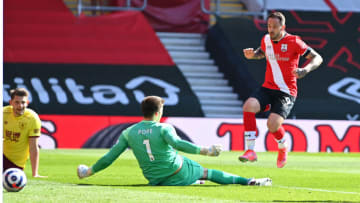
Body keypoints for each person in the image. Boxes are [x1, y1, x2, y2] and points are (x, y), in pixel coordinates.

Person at [77, 96, 272, 186]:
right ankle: (251, 182)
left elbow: (109, 157)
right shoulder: (163, 127)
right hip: (177, 172)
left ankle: (193, 181)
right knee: (208, 172)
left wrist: (89, 171)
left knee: (188, 167)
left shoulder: (128, 132)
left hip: (154, 179)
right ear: (158, 112)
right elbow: (178, 144)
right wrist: (206, 150)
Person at [240, 12, 323, 168]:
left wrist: (305, 70)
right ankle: (250, 151)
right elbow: (262, 52)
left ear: (283, 27)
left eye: (274, 27)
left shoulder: (294, 41)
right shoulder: (266, 39)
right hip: (268, 87)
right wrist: (253, 55)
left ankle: (282, 146)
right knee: (248, 106)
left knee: (272, 125)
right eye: (269, 26)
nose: (270, 30)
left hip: (286, 92)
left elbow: (317, 57)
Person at [3, 88, 46, 177]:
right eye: (17, 102)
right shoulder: (3, 113)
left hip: (16, 163)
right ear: (11, 102)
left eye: (23, 102)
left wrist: (35, 173)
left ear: (27, 103)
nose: (20, 106)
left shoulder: (32, 119)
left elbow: (33, 147)